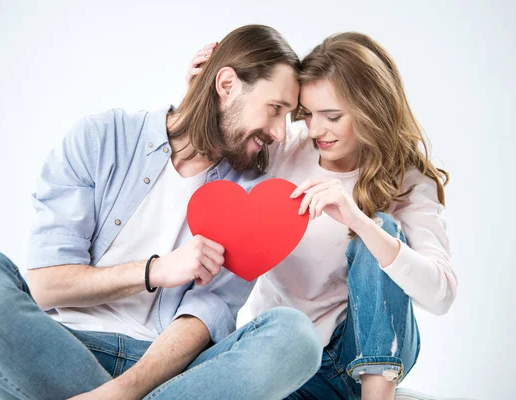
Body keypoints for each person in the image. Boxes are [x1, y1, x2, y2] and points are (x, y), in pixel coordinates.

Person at [0, 25, 323, 400]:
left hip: (166, 372)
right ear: (225, 86)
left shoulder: (249, 195)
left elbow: (206, 316)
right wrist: (155, 270)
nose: (278, 133)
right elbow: (46, 285)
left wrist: (122, 391)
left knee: (295, 338)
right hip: (60, 347)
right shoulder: (102, 138)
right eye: (275, 109)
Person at [189, 32, 458, 400]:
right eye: (308, 114)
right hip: (290, 357)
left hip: (356, 359)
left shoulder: (408, 180)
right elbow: (217, 159)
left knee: (380, 228)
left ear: (371, 111)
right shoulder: (287, 149)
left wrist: (359, 221)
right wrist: (202, 94)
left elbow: (441, 296)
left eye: (332, 116)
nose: (315, 130)